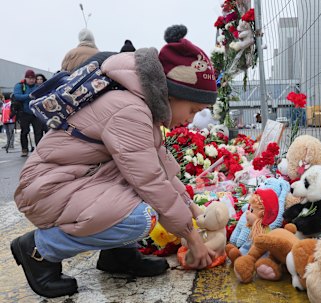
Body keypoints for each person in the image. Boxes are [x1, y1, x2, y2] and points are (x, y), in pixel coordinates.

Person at [10, 24, 218, 298]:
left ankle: (117, 256)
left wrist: (192, 208)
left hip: (68, 181)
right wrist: (191, 238)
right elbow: (150, 180)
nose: (191, 119)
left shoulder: (140, 104)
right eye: (193, 109)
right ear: (172, 93)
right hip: (48, 188)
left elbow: (160, 169)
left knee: (136, 189)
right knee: (141, 217)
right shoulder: (130, 110)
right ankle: (40, 249)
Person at [13, 70, 44, 157]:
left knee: (38, 132)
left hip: (36, 112)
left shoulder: (38, 86)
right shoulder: (19, 86)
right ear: (25, 78)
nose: (31, 80)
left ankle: (39, 150)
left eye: (33, 78)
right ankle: (24, 149)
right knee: (24, 131)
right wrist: (29, 96)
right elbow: (17, 96)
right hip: (24, 112)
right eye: (29, 78)